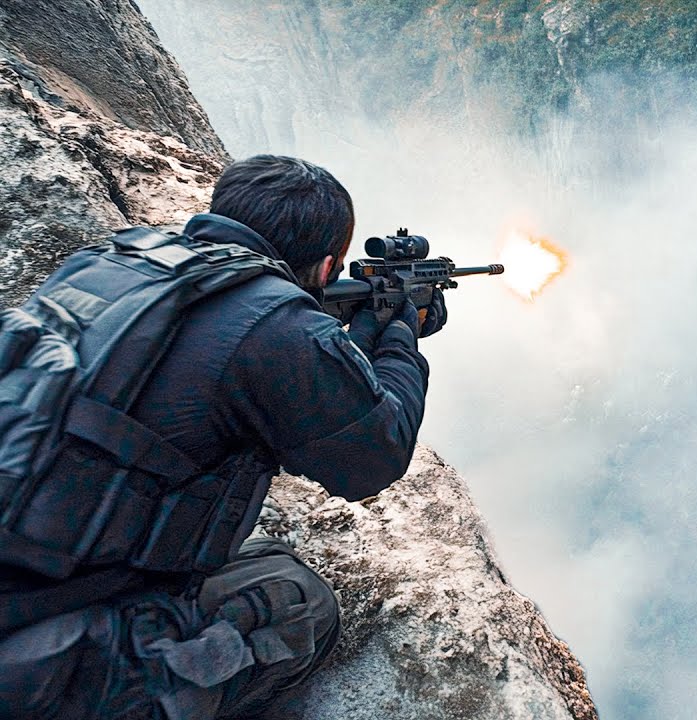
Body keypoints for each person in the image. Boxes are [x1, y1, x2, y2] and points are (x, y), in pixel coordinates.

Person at [0, 155, 446, 719]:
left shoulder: (111, 261)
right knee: (296, 600)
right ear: (330, 264)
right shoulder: (278, 328)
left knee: (262, 556)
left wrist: (356, 335)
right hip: (35, 656)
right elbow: (373, 458)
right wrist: (403, 335)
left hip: (28, 556)